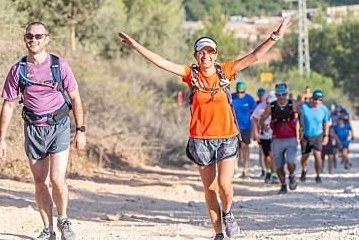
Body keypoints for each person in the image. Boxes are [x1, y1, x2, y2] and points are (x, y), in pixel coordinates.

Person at [118, 17, 291, 240]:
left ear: (215, 55)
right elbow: (160, 62)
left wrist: (275, 35)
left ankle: (228, 214)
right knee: (209, 189)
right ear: (196, 56)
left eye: (210, 52)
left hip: (227, 137)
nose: (206, 56)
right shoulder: (191, 75)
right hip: (200, 139)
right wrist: (136, 46)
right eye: (201, 52)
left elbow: (255, 56)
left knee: (224, 185)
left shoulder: (226, 72)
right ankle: (218, 233)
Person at [0, 22, 87, 240]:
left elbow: (75, 98)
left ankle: (63, 219)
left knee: (57, 178)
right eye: (30, 36)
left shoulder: (59, 66)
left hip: (59, 127)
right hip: (33, 129)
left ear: (47, 39)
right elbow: (8, 105)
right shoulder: (18, 69)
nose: (34, 39)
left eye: (38, 36)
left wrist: (80, 130)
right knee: (40, 182)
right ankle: (48, 230)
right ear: (25, 39)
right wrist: (1, 140)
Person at [259, 83, 301, 194]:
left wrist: (301, 130)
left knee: (290, 162)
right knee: (279, 166)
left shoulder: (293, 104)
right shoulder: (271, 106)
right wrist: (264, 128)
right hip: (277, 139)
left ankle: (292, 176)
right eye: (279, 94)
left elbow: (300, 115)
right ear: (276, 95)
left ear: (286, 94)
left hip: (291, 138)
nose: (281, 97)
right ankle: (283, 185)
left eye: (283, 94)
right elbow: (262, 119)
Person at [298, 89, 331, 184]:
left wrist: (326, 136)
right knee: (305, 156)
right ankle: (304, 169)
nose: (317, 101)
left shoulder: (323, 109)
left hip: (318, 135)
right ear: (311, 99)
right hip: (306, 135)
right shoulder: (304, 108)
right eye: (315, 99)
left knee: (317, 155)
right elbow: (299, 121)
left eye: (319, 100)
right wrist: (299, 132)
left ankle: (318, 175)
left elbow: (326, 123)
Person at [232, 81, 256, 178]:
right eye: (238, 92)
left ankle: (245, 169)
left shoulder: (249, 99)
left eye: (242, 92)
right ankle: (235, 168)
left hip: (246, 127)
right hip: (234, 128)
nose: (240, 94)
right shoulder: (231, 97)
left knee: (245, 148)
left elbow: (256, 111)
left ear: (245, 91)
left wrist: (256, 128)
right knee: (235, 149)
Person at [252, 89, 276, 183]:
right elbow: (254, 118)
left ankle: (274, 174)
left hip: (275, 135)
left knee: (272, 155)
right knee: (267, 156)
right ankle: (268, 171)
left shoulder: (279, 107)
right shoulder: (261, 107)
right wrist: (255, 133)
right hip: (264, 136)